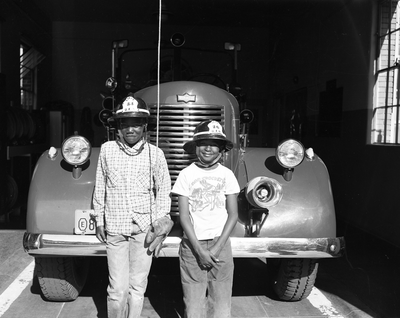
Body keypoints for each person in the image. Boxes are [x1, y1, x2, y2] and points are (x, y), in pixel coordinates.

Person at [92, 93, 172, 318]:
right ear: (117, 127)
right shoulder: (107, 150)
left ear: (144, 126)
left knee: (137, 287)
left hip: (144, 230)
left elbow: (163, 191)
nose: (130, 130)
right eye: (124, 124)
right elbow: (100, 187)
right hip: (115, 229)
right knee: (117, 289)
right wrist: (99, 219)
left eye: (136, 124)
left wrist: (159, 222)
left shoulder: (156, 154)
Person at [171, 120, 239, 318]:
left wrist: (217, 247)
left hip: (221, 245)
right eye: (203, 143)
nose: (208, 148)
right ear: (195, 147)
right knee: (193, 303)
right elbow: (183, 216)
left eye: (214, 143)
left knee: (221, 303)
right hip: (192, 247)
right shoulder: (186, 174)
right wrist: (200, 250)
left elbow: (233, 214)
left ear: (221, 149)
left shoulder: (227, 175)